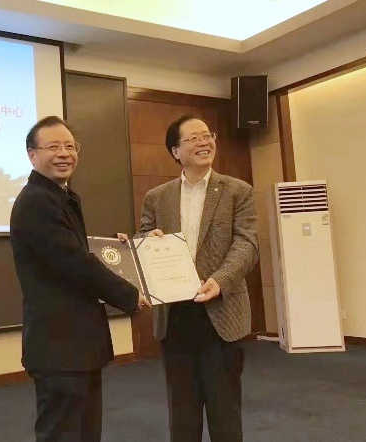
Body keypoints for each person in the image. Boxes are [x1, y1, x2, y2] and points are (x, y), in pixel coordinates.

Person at [10, 116, 151, 442]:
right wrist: (129, 293)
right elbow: (74, 263)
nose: (64, 154)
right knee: (65, 433)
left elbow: (75, 253)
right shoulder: (37, 201)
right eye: (53, 147)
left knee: (84, 431)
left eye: (70, 146)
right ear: (32, 155)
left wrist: (119, 251)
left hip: (74, 346)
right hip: (61, 347)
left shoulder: (58, 196)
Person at [135, 115, 259, 442]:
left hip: (222, 312)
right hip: (175, 316)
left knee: (225, 414)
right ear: (175, 151)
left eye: (207, 136)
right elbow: (143, 240)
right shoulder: (157, 197)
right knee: (183, 414)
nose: (204, 142)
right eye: (193, 138)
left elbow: (247, 244)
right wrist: (148, 241)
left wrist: (221, 279)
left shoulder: (238, 191)